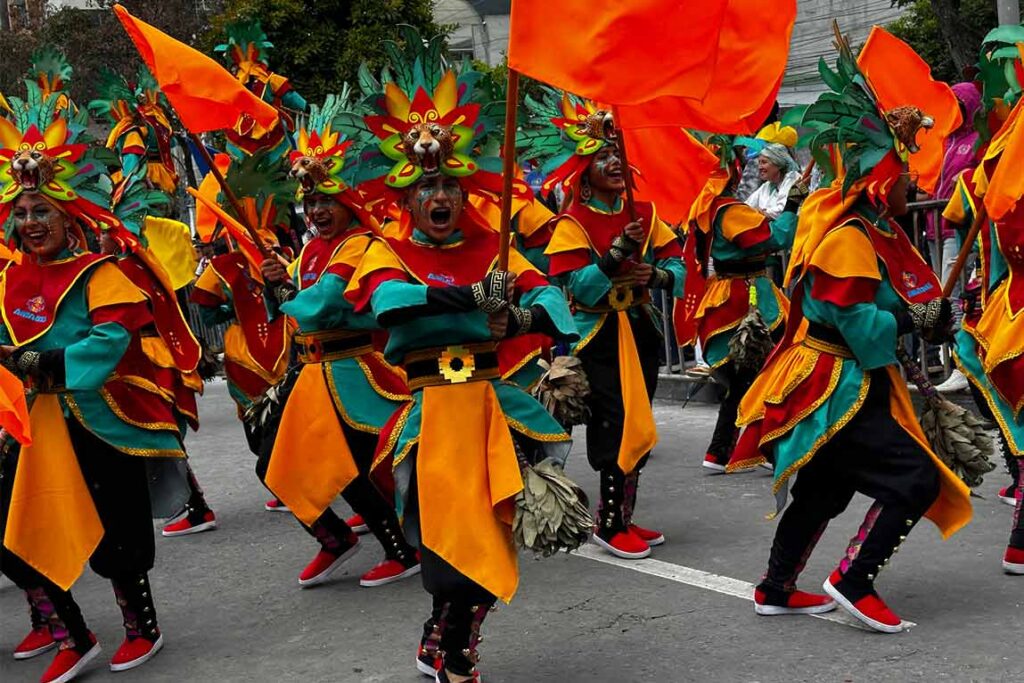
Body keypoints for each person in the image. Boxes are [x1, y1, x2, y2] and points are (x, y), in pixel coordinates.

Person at [344, 70, 578, 683]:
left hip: (493, 410)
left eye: (451, 182)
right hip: (432, 414)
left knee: (491, 531)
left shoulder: (493, 249)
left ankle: (449, 647)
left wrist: (519, 313)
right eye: (428, 186)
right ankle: (446, 641)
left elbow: (555, 305)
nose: (440, 195)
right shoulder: (385, 252)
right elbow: (389, 304)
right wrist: (472, 299)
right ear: (405, 198)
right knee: (447, 535)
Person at [732, 41, 972, 631]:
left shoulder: (872, 231)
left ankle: (776, 587)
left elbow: (888, 299)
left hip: (844, 375)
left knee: (825, 487)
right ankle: (852, 579)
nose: (910, 188)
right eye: (902, 177)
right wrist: (913, 322)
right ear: (876, 182)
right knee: (913, 478)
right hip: (835, 381)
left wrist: (927, 316)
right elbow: (860, 322)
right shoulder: (846, 236)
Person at [0, 110, 189, 681]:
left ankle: (140, 627)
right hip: (33, 420)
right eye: (23, 212)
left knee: (116, 531)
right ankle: (70, 631)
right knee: (15, 527)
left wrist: (42, 362)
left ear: (69, 216)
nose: (32, 222)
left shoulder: (98, 272)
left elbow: (108, 342)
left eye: (43, 211)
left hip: (97, 415)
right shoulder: (8, 279)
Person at [255, 109, 420, 588]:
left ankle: (401, 548)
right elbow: (307, 308)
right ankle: (334, 539)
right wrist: (276, 287)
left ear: (348, 200)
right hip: (312, 376)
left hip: (356, 373)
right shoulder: (309, 250)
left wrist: (288, 293)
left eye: (327, 197)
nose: (318, 209)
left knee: (365, 467)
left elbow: (325, 302)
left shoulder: (362, 245)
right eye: (310, 200)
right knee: (270, 462)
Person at [522, 91, 684, 559]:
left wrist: (655, 274)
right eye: (602, 156)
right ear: (583, 173)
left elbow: (680, 265)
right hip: (597, 336)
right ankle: (609, 523)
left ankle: (622, 515)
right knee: (614, 425)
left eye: (618, 154)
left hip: (641, 328)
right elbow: (581, 289)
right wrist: (615, 254)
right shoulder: (572, 222)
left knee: (639, 422)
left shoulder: (646, 214)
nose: (614, 162)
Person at [679, 138, 799, 472]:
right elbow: (771, 238)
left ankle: (721, 452)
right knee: (763, 373)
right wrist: (791, 209)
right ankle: (764, 449)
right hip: (744, 299)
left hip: (734, 293)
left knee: (744, 379)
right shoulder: (727, 210)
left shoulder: (711, 207)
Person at [744, 142, 802, 220]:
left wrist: (762, 213)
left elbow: (783, 210)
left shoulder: (793, 178)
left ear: (778, 164)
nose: (759, 167)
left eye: (764, 162)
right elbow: (747, 205)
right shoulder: (767, 185)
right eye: (759, 163)